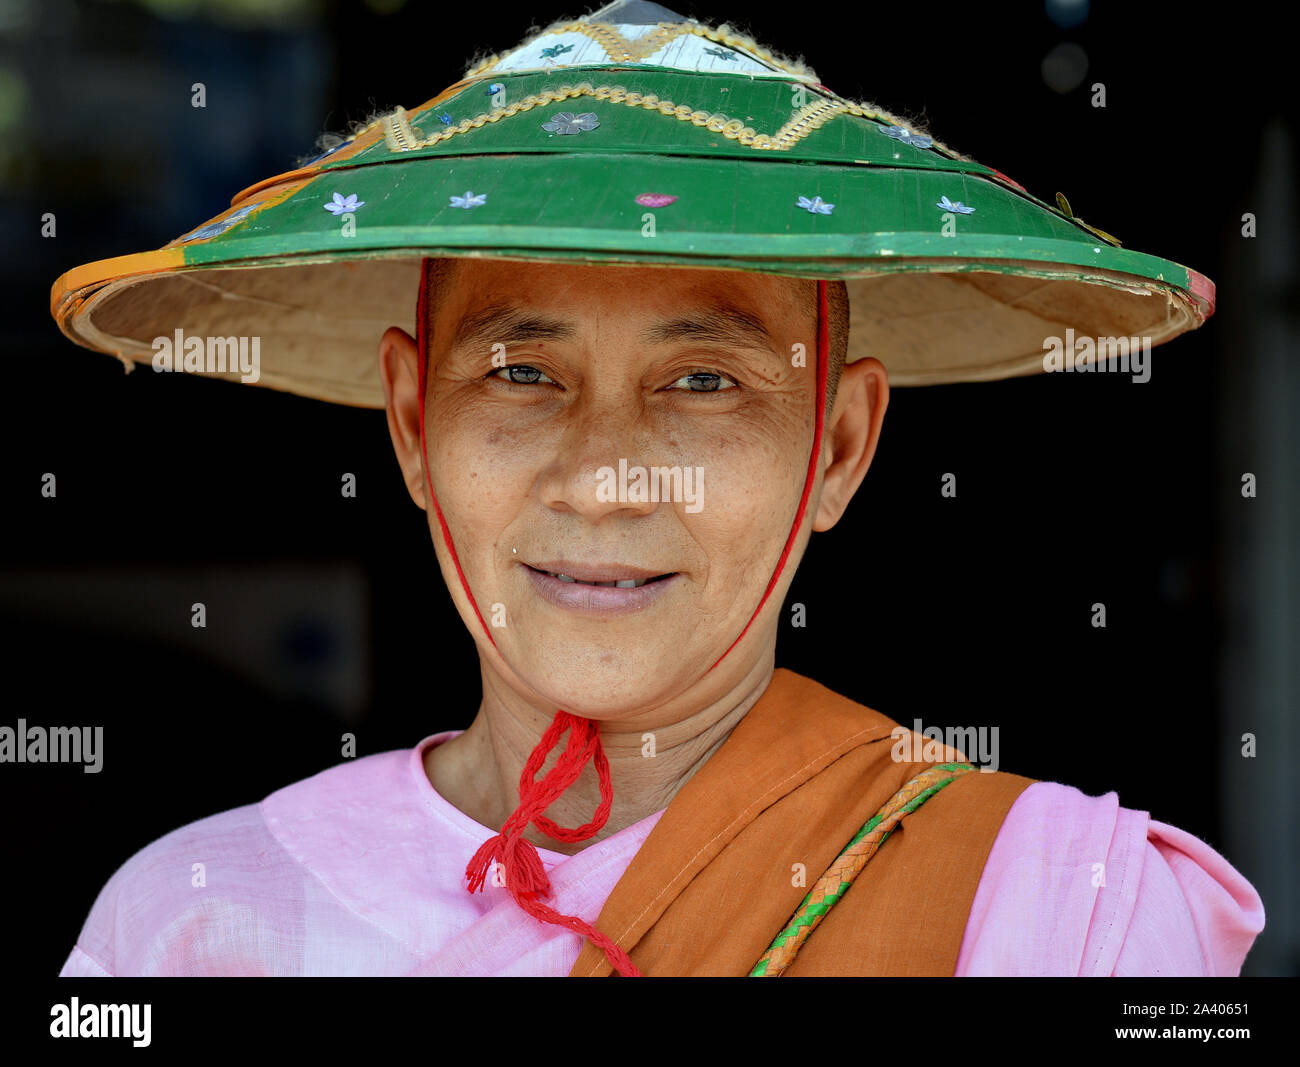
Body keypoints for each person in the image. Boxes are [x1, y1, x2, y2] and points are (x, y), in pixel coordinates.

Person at [50, 1, 1262, 976]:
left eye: (703, 381)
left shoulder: (1067, 909)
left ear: (839, 446)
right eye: (523, 372)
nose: (602, 476)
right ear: (415, 423)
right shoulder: (192, 921)